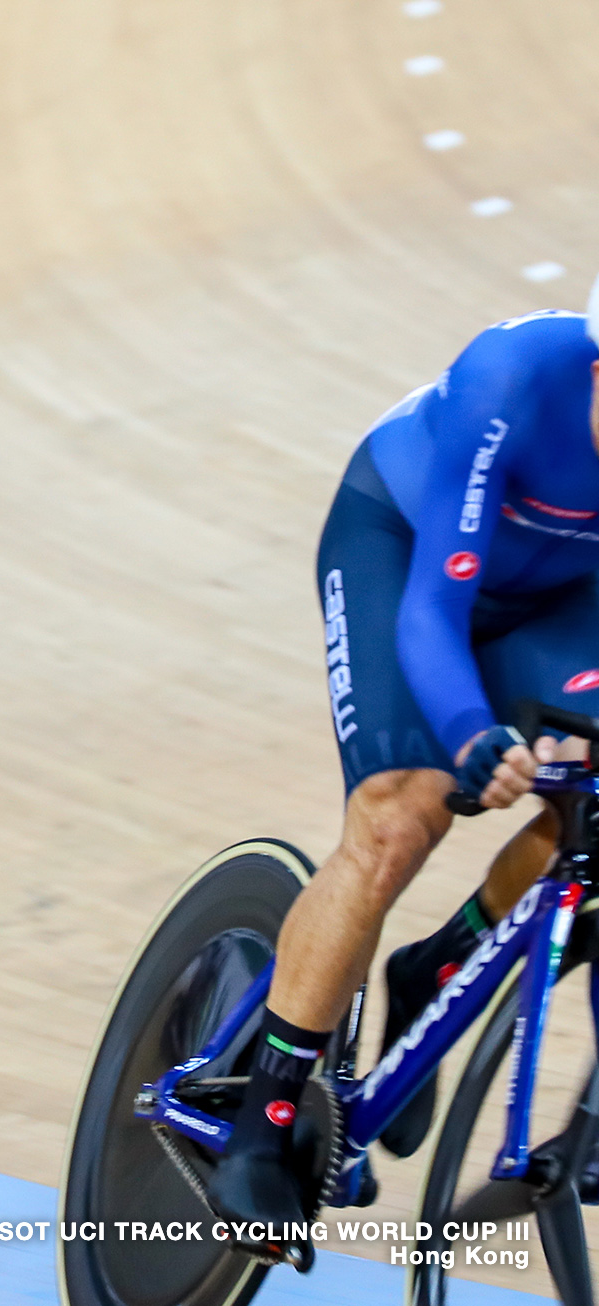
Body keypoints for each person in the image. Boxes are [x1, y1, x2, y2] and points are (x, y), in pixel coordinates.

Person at [208, 290, 599, 1237]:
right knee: (399, 818)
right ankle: (265, 1114)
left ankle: (445, 959)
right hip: (406, 549)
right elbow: (432, 612)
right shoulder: (512, 377)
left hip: (563, 597)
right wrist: (471, 738)